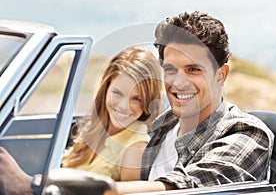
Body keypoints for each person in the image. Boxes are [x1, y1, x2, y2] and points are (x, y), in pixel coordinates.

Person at [115, 11, 274, 193]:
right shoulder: (164, 123)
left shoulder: (247, 133)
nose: (179, 83)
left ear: (220, 75)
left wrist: (102, 190)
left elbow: (189, 186)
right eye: (171, 69)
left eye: (193, 69)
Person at [0, 46, 163, 194]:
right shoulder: (95, 129)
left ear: (148, 102)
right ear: (106, 89)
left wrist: (26, 183)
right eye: (117, 93)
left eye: (136, 99)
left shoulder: (135, 148)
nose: (123, 106)